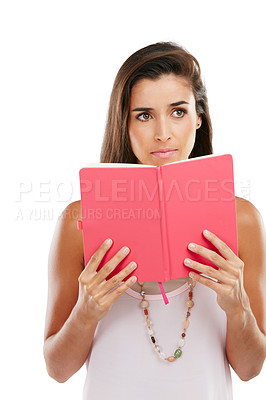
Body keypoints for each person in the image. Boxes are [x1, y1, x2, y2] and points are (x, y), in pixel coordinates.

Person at [43, 42, 266, 399]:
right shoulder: (79, 220)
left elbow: (250, 369)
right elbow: (57, 369)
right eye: (144, 115)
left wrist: (237, 307)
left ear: (199, 116)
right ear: (124, 122)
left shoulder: (242, 220)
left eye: (178, 112)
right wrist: (86, 312)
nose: (163, 132)